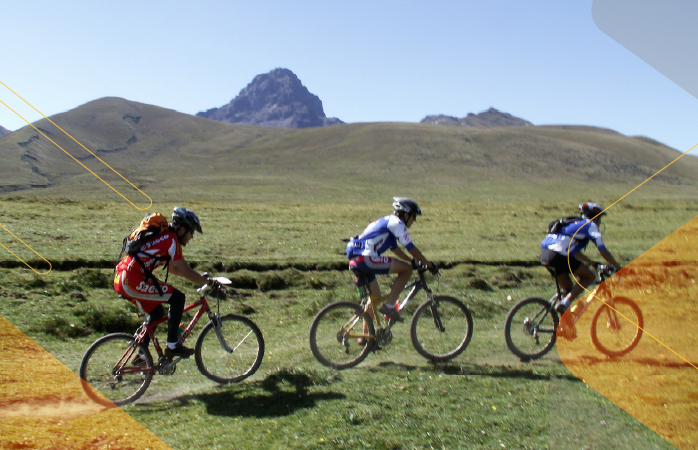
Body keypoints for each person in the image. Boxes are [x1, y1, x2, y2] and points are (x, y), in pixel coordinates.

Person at [114, 207, 215, 357]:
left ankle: (142, 357)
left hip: (122, 277)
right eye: (191, 232)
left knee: (157, 312)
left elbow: (175, 269)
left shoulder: (163, 238)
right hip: (131, 280)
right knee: (178, 298)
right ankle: (172, 346)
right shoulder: (171, 240)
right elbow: (184, 270)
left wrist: (200, 277)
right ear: (181, 230)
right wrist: (208, 282)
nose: (192, 237)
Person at [346, 197, 437, 323]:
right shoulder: (397, 224)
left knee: (375, 297)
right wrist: (429, 264)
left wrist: (412, 260)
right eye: (414, 216)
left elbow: (396, 250)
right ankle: (389, 307)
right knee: (407, 270)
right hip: (367, 259)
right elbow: (412, 249)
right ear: (406, 214)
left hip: (357, 260)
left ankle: (366, 339)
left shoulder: (387, 221)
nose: (414, 220)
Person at [540, 202, 622, 332]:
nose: (599, 223)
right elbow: (603, 250)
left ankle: (565, 325)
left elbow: (575, 252)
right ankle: (565, 304)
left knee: (568, 289)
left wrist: (592, 262)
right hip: (559, 255)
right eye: (600, 219)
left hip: (546, 255)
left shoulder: (573, 223)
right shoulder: (590, 225)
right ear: (596, 217)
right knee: (589, 277)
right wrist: (618, 267)